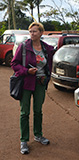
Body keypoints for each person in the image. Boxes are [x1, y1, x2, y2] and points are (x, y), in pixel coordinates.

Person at [11, 22, 54, 154]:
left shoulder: (47, 48)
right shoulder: (23, 46)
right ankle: (24, 141)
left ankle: (38, 135)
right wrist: (26, 71)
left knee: (38, 111)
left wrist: (46, 78)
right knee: (25, 113)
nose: (32, 34)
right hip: (26, 83)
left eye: (35, 31)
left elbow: (49, 66)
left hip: (40, 83)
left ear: (41, 33)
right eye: (30, 31)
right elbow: (14, 63)